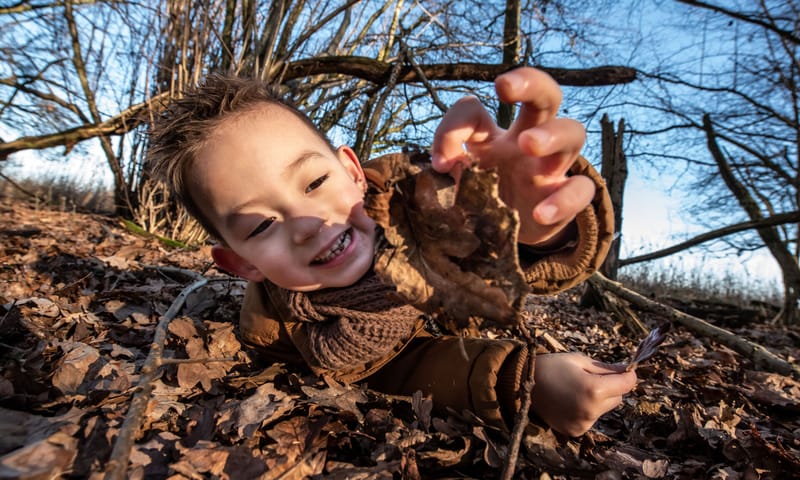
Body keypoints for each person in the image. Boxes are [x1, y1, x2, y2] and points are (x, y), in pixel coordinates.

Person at [148, 67, 637, 437]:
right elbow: (396, 368)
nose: (307, 223)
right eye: (261, 225)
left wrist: (533, 226)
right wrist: (520, 381)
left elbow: (528, 259)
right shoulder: (281, 330)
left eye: (316, 181)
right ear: (242, 263)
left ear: (354, 173)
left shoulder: (419, 199)